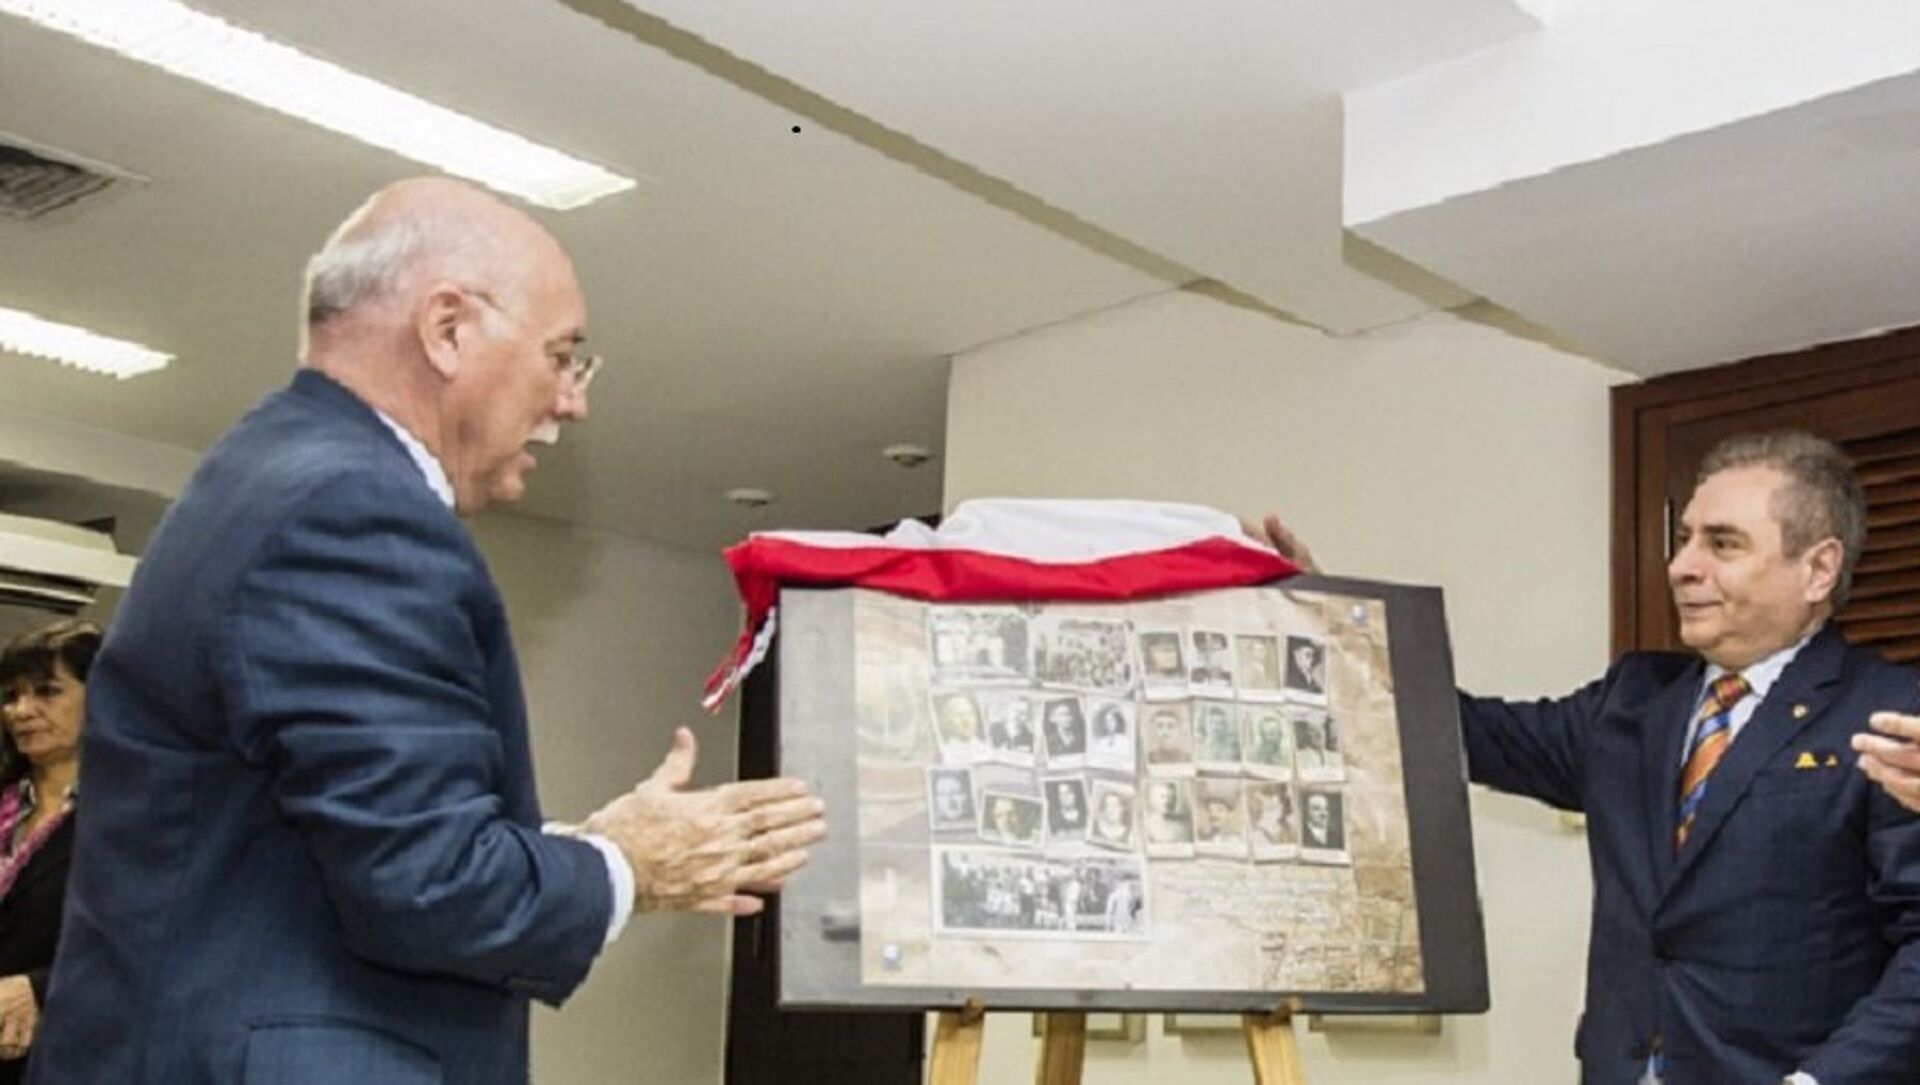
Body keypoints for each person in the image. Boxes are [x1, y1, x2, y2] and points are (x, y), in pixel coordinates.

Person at [28, 179, 826, 1085]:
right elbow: (429, 885)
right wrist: (629, 864)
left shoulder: (272, 473)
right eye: (562, 356)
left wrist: (573, 848)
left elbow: (332, 840)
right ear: (447, 330)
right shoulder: (350, 509)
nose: (573, 401)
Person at [1260, 430, 1920, 1085]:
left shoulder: (1889, 715)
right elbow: (1456, 730)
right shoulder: (1635, 700)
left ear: (1818, 569)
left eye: (1723, 544)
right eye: (1685, 538)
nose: (1682, 566)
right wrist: (1328, 622)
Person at [0, 621, 100, 1081]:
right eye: (10, 696)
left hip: (62, 1058)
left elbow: (153, 941)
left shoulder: (134, 817)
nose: (22, 710)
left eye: (46, 691)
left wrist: (41, 988)